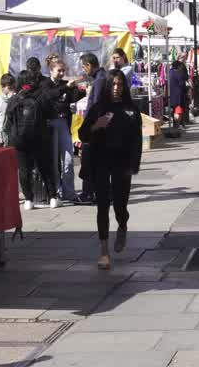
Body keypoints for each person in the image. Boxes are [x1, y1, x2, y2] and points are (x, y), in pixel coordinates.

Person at [78, 69, 143, 270]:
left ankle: (122, 224)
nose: (116, 88)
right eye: (113, 85)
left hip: (122, 163)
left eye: (120, 85)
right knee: (102, 205)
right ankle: (103, 250)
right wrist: (95, 126)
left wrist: (134, 165)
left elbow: (137, 142)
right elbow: (82, 134)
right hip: (100, 161)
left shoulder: (131, 110)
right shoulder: (98, 108)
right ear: (107, 86)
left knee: (120, 205)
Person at [7, 71, 58, 210]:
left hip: (20, 139)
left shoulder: (15, 99)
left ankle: (28, 200)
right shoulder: (41, 96)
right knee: (45, 167)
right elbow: (52, 114)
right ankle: (53, 197)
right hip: (39, 137)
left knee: (24, 170)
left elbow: (10, 118)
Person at [41, 54, 84, 203]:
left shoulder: (65, 84)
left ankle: (69, 192)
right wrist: (66, 87)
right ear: (51, 70)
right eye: (59, 70)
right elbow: (48, 96)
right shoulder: (45, 84)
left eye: (63, 71)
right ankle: (57, 191)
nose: (61, 73)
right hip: (51, 124)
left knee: (68, 160)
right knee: (53, 161)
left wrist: (81, 89)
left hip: (64, 123)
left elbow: (74, 97)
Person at [75, 53, 108, 204]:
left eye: (83, 67)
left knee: (88, 161)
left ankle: (88, 194)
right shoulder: (100, 78)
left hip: (95, 127)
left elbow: (96, 106)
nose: (83, 70)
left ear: (89, 65)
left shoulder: (100, 80)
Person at [166, 60, 190, 128]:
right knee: (178, 110)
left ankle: (177, 124)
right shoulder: (178, 74)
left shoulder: (170, 72)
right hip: (178, 95)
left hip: (171, 94)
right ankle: (176, 125)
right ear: (178, 66)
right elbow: (182, 84)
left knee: (174, 110)